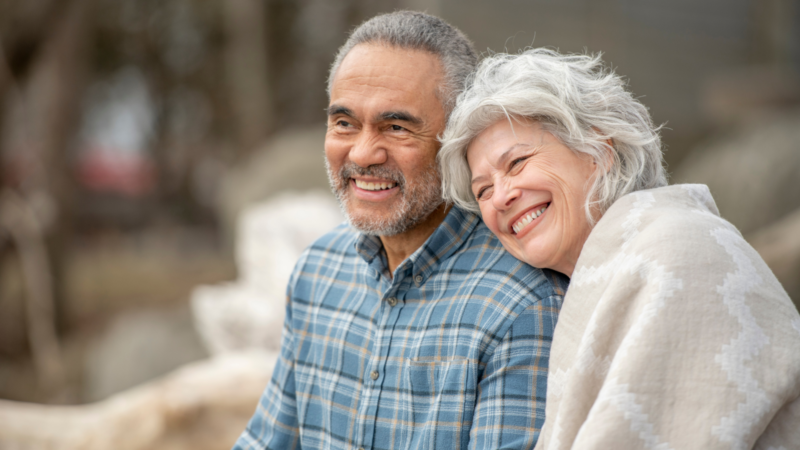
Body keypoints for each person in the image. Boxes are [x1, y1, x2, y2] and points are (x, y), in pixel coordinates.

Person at [233, 13, 569, 450]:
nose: (363, 152)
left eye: (396, 127)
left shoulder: (522, 303)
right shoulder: (317, 270)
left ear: (457, 141)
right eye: (344, 123)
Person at [439, 48, 800, 449]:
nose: (501, 197)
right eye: (483, 190)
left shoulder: (680, 251)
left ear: (599, 152)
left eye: (518, 162)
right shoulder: (598, 272)